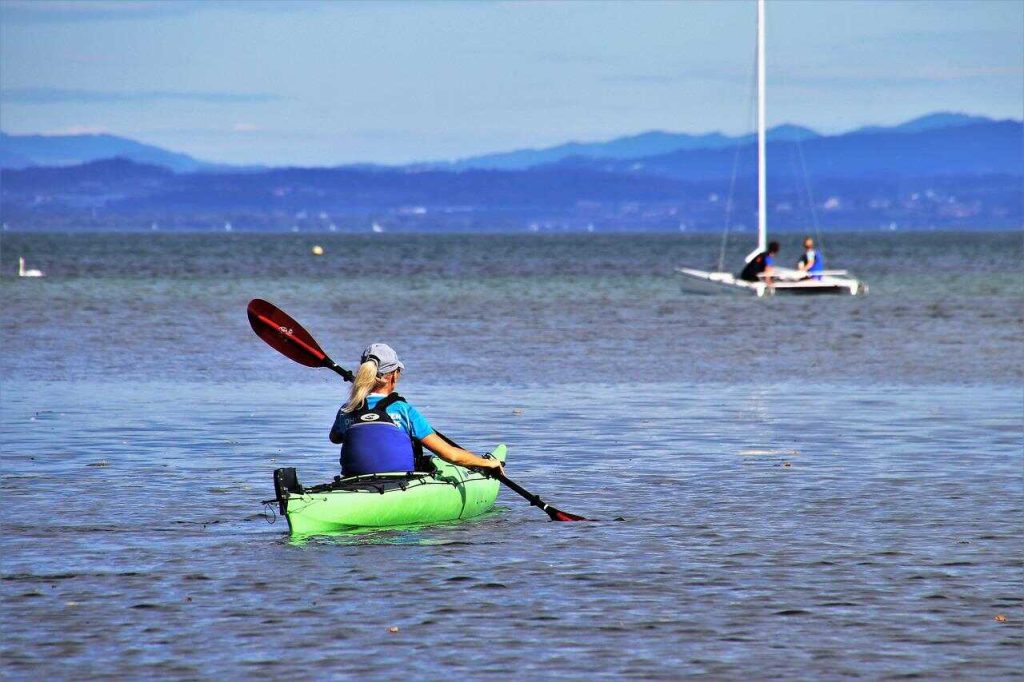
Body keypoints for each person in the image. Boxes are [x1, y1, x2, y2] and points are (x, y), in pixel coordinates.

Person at [329, 343, 503, 477]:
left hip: (354, 480)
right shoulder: (404, 411)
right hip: (399, 483)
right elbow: (450, 455)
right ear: (394, 375)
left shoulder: (347, 409)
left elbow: (335, 438)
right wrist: (486, 463)